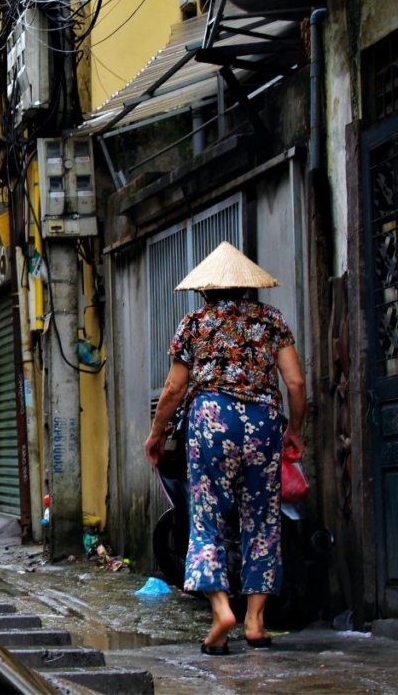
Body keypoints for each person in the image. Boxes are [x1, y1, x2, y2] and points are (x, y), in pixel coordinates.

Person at [144, 241, 306, 656]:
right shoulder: (271, 320)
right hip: (263, 423)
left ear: (206, 289)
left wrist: (157, 433)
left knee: (207, 516)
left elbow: (175, 388)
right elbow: (296, 384)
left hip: (212, 421)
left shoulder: (194, 323)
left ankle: (221, 611)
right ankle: (255, 621)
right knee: (262, 518)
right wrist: (295, 430)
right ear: (248, 287)